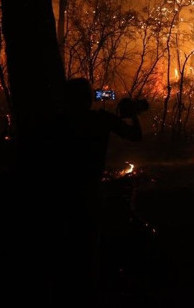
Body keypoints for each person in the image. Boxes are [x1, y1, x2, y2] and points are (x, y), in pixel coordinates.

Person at [52, 77, 144, 305]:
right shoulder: (100, 120)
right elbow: (135, 135)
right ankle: (89, 291)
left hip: (62, 192)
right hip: (90, 190)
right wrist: (132, 112)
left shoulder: (59, 123)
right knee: (89, 244)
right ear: (87, 99)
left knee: (66, 244)